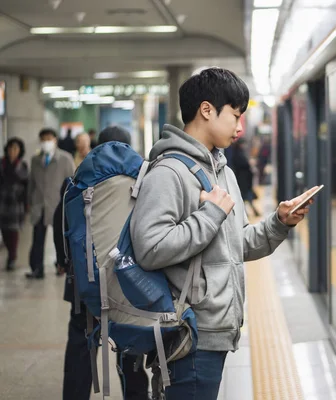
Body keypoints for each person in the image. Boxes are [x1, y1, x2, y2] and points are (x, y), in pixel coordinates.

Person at [130, 67, 314, 400]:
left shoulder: (221, 170)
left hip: (217, 331)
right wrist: (211, 215)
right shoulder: (169, 172)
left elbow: (236, 243)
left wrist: (279, 222)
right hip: (189, 335)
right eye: (235, 115)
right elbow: (150, 248)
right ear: (206, 110)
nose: (240, 127)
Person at [55, 126, 150, 400]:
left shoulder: (77, 178)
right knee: (130, 346)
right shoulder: (143, 179)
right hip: (128, 281)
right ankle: (136, 395)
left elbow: (60, 223)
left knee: (81, 345)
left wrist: (65, 263)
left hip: (83, 282)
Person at [27, 128, 75, 279]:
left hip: (58, 205)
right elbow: (31, 183)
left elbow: (72, 181)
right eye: (43, 139)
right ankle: (37, 268)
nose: (46, 142)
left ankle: (61, 264)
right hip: (39, 204)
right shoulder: (35, 160)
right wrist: (29, 200)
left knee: (60, 237)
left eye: (49, 138)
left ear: (55, 140)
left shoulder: (65, 158)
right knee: (38, 239)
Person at [0, 137, 28, 271]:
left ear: (20, 151)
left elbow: (26, 183)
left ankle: (12, 257)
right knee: (4, 230)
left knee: (13, 231)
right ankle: (9, 251)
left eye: (16, 149)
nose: (13, 151)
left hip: (16, 202)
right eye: (11, 148)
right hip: (2, 201)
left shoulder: (22, 165)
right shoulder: (2, 163)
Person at [229, 138, 260, 217]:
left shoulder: (238, 153)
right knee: (246, 197)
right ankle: (249, 213)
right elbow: (244, 164)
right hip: (243, 180)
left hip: (243, 180)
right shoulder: (238, 154)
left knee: (245, 198)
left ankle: (247, 213)